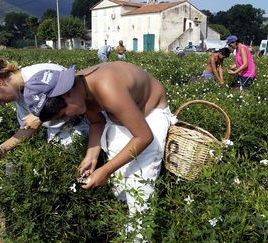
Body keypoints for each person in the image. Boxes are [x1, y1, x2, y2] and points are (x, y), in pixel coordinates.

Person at [23, 61, 173, 239]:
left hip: (149, 116)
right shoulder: (78, 91)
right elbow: (97, 121)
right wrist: (91, 155)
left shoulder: (106, 87)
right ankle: (127, 232)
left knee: (140, 185)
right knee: (121, 185)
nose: (68, 117)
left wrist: (105, 170)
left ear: (67, 93)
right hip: (123, 116)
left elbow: (144, 137)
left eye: (63, 114)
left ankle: (139, 236)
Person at [0, 55, 89, 165]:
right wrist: (0, 149)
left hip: (86, 123)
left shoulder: (40, 74)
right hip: (61, 134)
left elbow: (75, 99)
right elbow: (28, 129)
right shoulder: (19, 97)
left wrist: (40, 116)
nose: (2, 104)